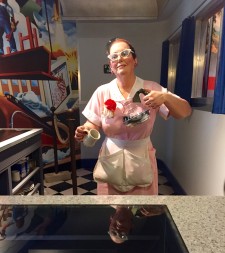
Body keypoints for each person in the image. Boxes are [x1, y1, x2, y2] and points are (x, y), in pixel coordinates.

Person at [75, 37, 192, 195]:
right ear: (110, 66)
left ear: (135, 60)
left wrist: (165, 97)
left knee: (142, 213)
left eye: (125, 53)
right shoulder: (102, 92)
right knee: (111, 213)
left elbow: (185, 112)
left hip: (141, 160)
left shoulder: (151, 89)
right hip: (111, 161)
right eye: (114, 56)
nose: (119, 59)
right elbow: (93, 124)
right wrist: (85, 130)